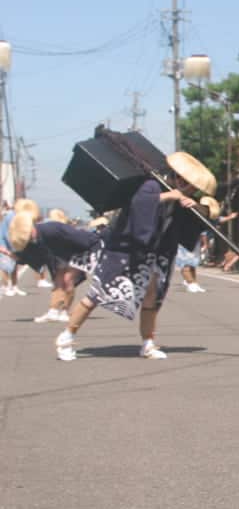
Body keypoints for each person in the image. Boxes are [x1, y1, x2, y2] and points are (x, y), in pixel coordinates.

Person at [54, 152, 216, 361]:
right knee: (97, 294)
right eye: (192, 186)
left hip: (155, 254)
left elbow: (202, 217)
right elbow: (139, 204)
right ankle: (66, 337)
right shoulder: (152, 186)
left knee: (152, 297)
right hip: (125, 250)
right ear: (181, 179)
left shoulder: (181, 196)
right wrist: (170, 196)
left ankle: (148, 343)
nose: (193, 190)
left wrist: (196, 206)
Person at [7, 206, 103, 323]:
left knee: (68, 281)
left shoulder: (52, 228)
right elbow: (27, 255)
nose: (29, 239)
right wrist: (12, 254)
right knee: (58, 282)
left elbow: (80, 237)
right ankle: (53, 311)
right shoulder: (32, 238)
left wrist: (95, 247)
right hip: (59, 256)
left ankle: (64, 311)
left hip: (77, 251)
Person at [176, 196, 220, 293]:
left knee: (192, 263)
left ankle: (194, 283)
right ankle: (190, 283)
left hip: (194, 239)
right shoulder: (188, 208)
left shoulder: (201, 213)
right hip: (183, 238)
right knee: (185, 263)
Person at [1, 199, 39, 297]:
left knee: (14, 266)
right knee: (5, 267)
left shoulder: (17, 215)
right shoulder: (11, 216)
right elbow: (7, 233)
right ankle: (5, 287)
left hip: (13, 244)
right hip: (5, 243)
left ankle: (14, 286)